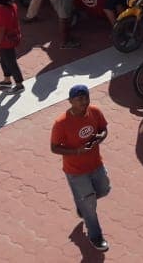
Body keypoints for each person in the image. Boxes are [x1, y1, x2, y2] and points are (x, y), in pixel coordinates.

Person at [50, 85, 110, 252]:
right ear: (70, 101)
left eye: (86, 97)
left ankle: (81, 203)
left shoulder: (95, 111)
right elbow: (54, 148)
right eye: (79, 99)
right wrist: (77, 151)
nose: (83, 102)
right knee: (90, 206)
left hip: (96, 164)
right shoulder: (61, 123)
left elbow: (103, 129)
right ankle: (95, 236)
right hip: (76, 171)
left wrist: (100, 138)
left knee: (104, 190)